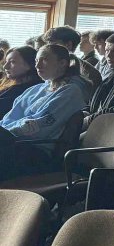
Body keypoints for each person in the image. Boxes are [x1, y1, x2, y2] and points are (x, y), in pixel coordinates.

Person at [0, 45, 87, 179]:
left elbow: (36, 128)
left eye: (44, 60)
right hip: (12, 143)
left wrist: (5, 133)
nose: (38, 65)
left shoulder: (70, 91)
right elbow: (8, 119)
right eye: (36, 61)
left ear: (62, 63)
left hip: (34, 151)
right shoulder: (34, 90)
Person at [43, 26, 101, 96]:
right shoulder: (54, 65)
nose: (48, 47)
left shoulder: (85, 71)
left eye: (53, 44)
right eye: (48, 44)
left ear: (68, 45)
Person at [0, 46, 42, 119]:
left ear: (29, 65)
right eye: (6, 62)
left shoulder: (29, 90)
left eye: (12, 62)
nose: (5, 66)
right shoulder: (10, 83)